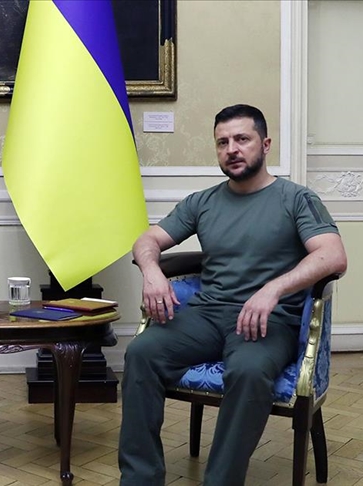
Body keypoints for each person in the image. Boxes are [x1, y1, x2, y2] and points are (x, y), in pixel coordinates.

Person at [119, 104, 347, 486]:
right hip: (207, 315)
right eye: (222, 142)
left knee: (248, 371)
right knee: (141, 352)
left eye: (242, 139)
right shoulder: (202, 201)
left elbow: (333, 255)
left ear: (265, 144)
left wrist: (273, 288)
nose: (232, 149)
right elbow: (147, 240)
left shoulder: (296, 199)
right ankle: (140, 479)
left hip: (268, 322)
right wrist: (152, 271)